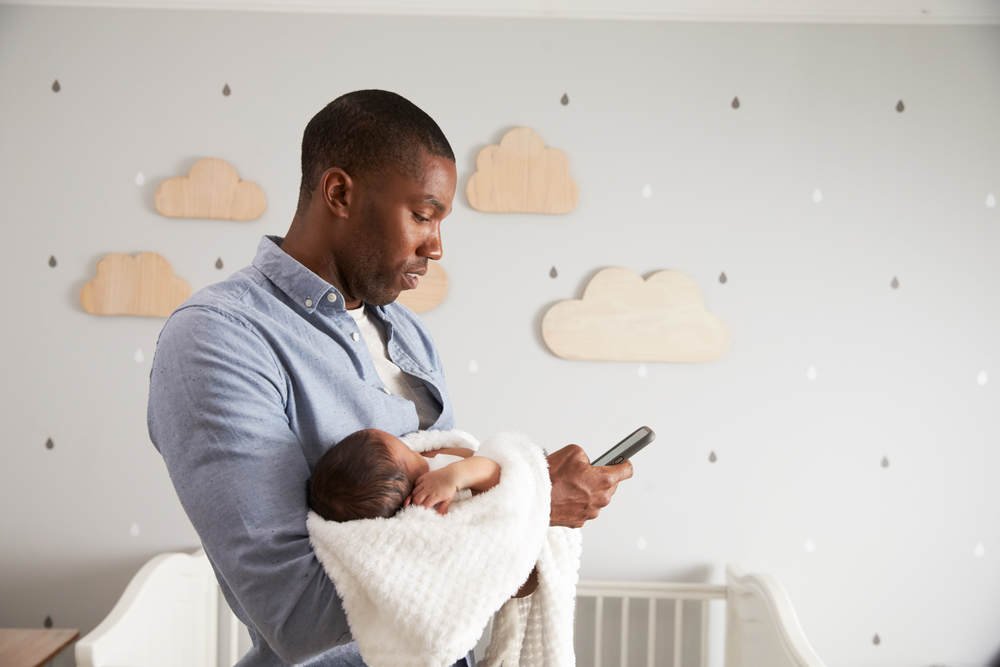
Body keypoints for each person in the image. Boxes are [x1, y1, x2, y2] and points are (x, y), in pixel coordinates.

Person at [147, 89, 633, 667]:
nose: (437, 245)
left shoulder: (407, 332)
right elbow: (294, 613)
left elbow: (471, 557)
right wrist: (531, 503)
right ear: (339, 193)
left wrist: (521, 526)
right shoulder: (219, 338)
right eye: (423, 215)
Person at [307, 428, 501, 522]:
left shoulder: (418, 471)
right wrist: (454, 476)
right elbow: (498, 475)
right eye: (408, 451)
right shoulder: (438, 486)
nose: (415, 450)